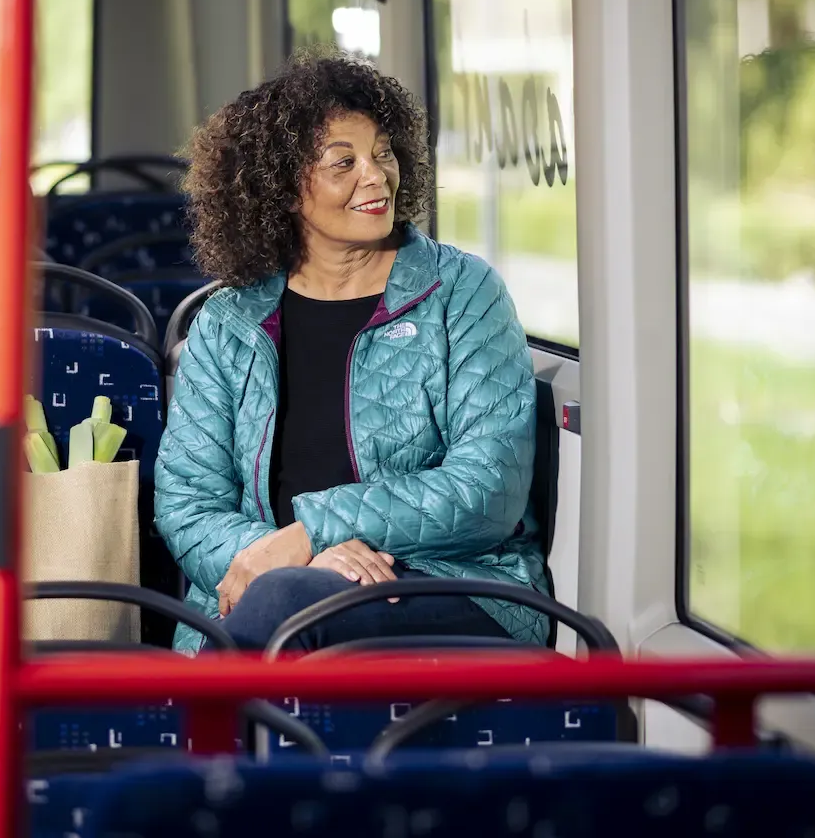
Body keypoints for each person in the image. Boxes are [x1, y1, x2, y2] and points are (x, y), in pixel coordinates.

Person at [154, 49, 548, 655]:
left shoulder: (464, 294)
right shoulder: (229, 321)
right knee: (281, 604)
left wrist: (310, 531)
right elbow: (186, 504)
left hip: (449, 587)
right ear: (282, 188)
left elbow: (487, 488)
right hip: (262, 590)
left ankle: (202, 738)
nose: (377, 176)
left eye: (383, 152)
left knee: (282, 611)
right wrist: (293, 558)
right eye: (345, 162)